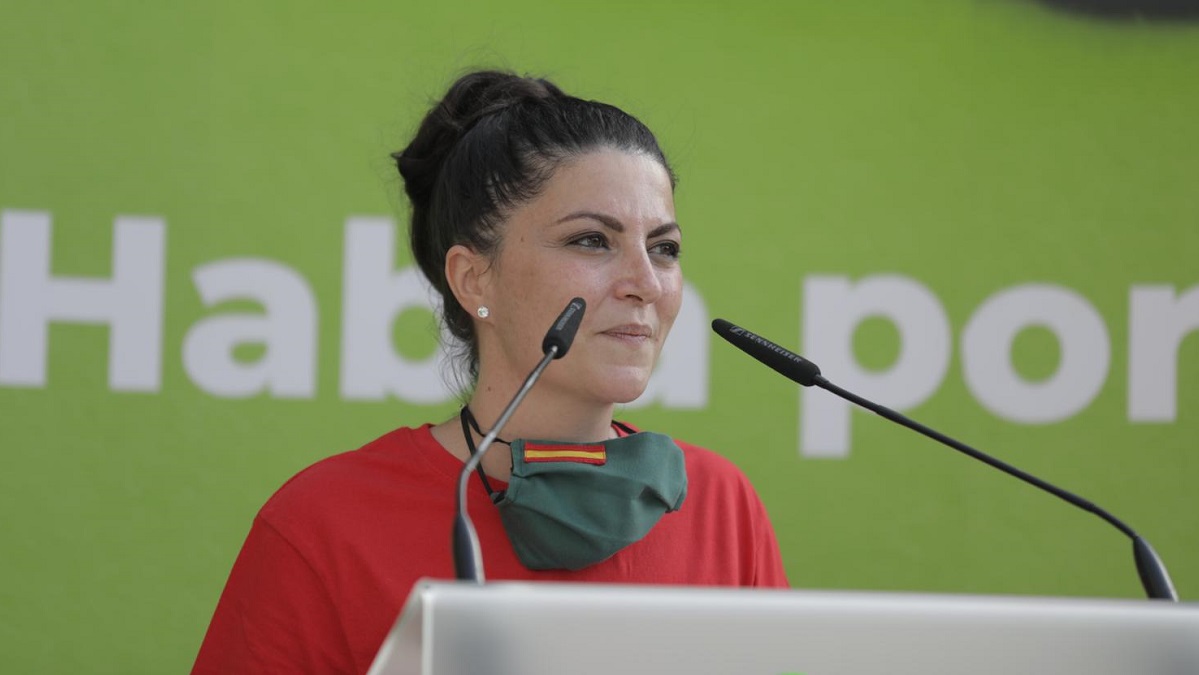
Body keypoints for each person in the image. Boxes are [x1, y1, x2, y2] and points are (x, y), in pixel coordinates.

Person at [191, 70, 789, 674]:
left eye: (664, 248)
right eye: (590, 240)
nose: (645, 284)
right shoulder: (324, 524)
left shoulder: (722, 507)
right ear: (475, 279)